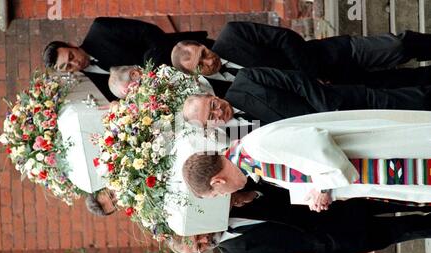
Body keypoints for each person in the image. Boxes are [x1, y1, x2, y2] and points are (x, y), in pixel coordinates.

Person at [182, 110, 431, 208]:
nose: (224, 197)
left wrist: (323, 187)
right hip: (379, 175)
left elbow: (316, 143)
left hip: (381, 154)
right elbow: (308, 167)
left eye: (216, 195)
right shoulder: (254, 166)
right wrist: (318, 194)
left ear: (217, 182)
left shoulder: (255, 147)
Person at [167, 191, 431, 253]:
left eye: (197, 238)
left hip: (337, 203)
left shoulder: (232, 199)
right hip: (339, 241)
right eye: (198, 249)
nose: (204, 244)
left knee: (407, 198)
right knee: (411, 228)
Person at [171, 22, 431, 91]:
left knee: (397, 46)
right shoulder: (219, 91)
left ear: (202, 44)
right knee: (402, 82)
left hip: (332, 56)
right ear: (195, 74)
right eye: (201, 65)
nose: (209, 61)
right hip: (337, 89)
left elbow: (284, 38)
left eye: (203, 53)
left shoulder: (233, 34)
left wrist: (310, 77)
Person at [182, 66, 431, 130]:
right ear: (208, 127)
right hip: (346, 135)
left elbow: (297, 81)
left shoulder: (247, 79)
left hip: (342, 105)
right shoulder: (238, 140)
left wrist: (328, 115)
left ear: (210, 95)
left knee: (415, 101)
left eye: (212, 105)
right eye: (210, 118)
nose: (218, 112)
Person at [43, 17, 212, 101]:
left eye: (71, 56)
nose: (75, 63)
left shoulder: (100, 29)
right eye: (68, 66)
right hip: (181, 94)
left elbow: (150, 32)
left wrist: (148, 75)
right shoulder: (91, 77)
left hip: (188, 56)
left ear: (72, 44)